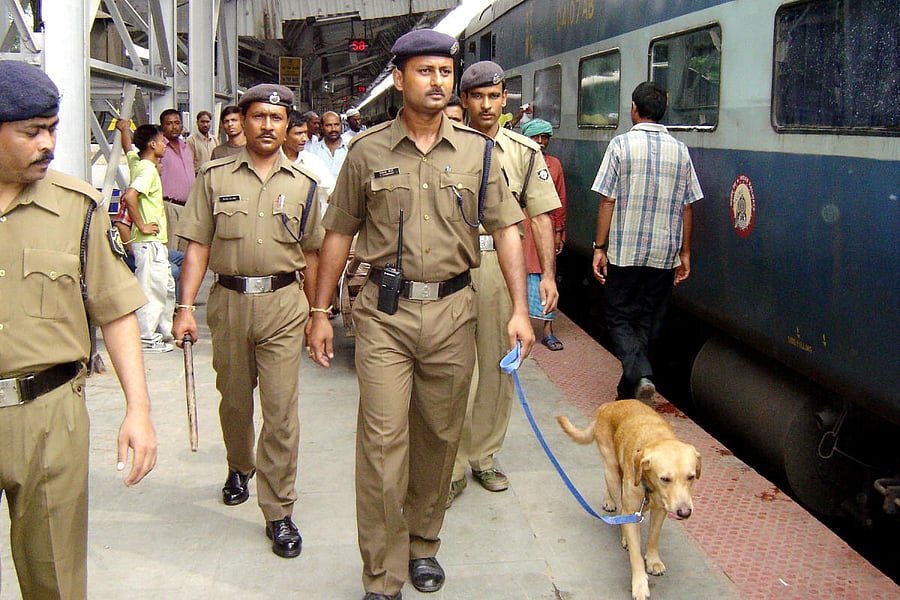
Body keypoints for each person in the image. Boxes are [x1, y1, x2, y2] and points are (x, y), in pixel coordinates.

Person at [305, 30, 534, 600]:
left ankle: (423, 543)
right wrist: (319, 310)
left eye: (444, 72)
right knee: (383, 444)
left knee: (438, 439)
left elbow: (508, 229)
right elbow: (338, 233)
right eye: (425, 71)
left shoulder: (479, 153)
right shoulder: (367, 152)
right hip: (385, 315)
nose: (437, 82)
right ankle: (382, 574)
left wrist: (520, 308)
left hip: (454, 311)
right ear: (399, 78)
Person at [0, 60, 157, 599]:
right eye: (31, 132)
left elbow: (115, 312)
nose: (47, 143)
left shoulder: (78, 208)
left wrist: (139, 410)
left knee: (56, 577)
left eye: (52, 128)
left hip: (49, 416)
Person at [173, 83, 323, 560]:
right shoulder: (214, 177)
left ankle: (278, 509)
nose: (267, 126)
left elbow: (313, 253)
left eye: (277, 119)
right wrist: (184, 307)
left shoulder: (305, 185)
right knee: (235, 401)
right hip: (229, 302)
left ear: (288, 126)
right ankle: (240, 464)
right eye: (259, 116)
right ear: (242, 121)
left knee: (280, 412)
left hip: (283, 304)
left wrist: (318, 313)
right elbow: (198, 245)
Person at [447, 61, 561, 508]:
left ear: (505, 98)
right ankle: (451, 464)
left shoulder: (523, 152)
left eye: (494, 96)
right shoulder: (445, 145)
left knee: (500, 364)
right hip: (453, 262)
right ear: (464, 100)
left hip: (500, 265)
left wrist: (547, 275)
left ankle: (484, 456)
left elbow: (541, 216)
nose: (486, 105)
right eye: (477, 97)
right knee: (452, 369)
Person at [590, 81, 703, 401]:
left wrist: (599, 247)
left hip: (625, 251)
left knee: (617, 315)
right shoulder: (680, 151)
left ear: (634, 109)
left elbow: (608, 199)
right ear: (663, 111)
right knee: (647, 319)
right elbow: (688, 206)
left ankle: (640, 374)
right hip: (663, 254)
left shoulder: (620, 145)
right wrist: (685, 253)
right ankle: (629, 392)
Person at [115, 118, 177, 352]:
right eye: (161, 141)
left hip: (154, 242)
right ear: (152, 145)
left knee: (165, 286)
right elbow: (130, 195)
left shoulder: (138, 163)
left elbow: (128, 149)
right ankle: (146, 337)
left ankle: (165, 331)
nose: (164, 145)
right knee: (152, 288)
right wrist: (141, 225)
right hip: (149, 241)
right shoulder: (148, 170)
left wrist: (124, 130)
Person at [521, 118, 567, 350]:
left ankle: (548, 330)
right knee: (518, 273)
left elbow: (560, 200)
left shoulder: (554, 165)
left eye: (545, 137)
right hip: (521, 226)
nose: (540, 141)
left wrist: (558, 231)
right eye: (535, 137)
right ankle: (523, 328)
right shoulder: (517, 161)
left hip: (544, 227)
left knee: (546, 273)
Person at [283, 110, 335, 217]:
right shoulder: (271, 161)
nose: (305, 139)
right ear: (284, 135)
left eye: (305, 133)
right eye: (298, 133)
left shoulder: (313, 162)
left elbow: (331, 192)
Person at [158, 108, 194, 253]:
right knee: (170, 251)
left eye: (177, 123)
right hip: (169, 207)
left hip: (188, 208)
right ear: (162, 126)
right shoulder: (159, 148)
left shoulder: (186, 147)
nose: (174, 127)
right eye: (169, 123)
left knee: (186, 253)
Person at [309, 110, 348, 179]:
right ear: (322, 127)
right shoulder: (312, 150)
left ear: (341, 126)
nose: (333, 129)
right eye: (328, 125)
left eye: (336, 125)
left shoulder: (350, 149)